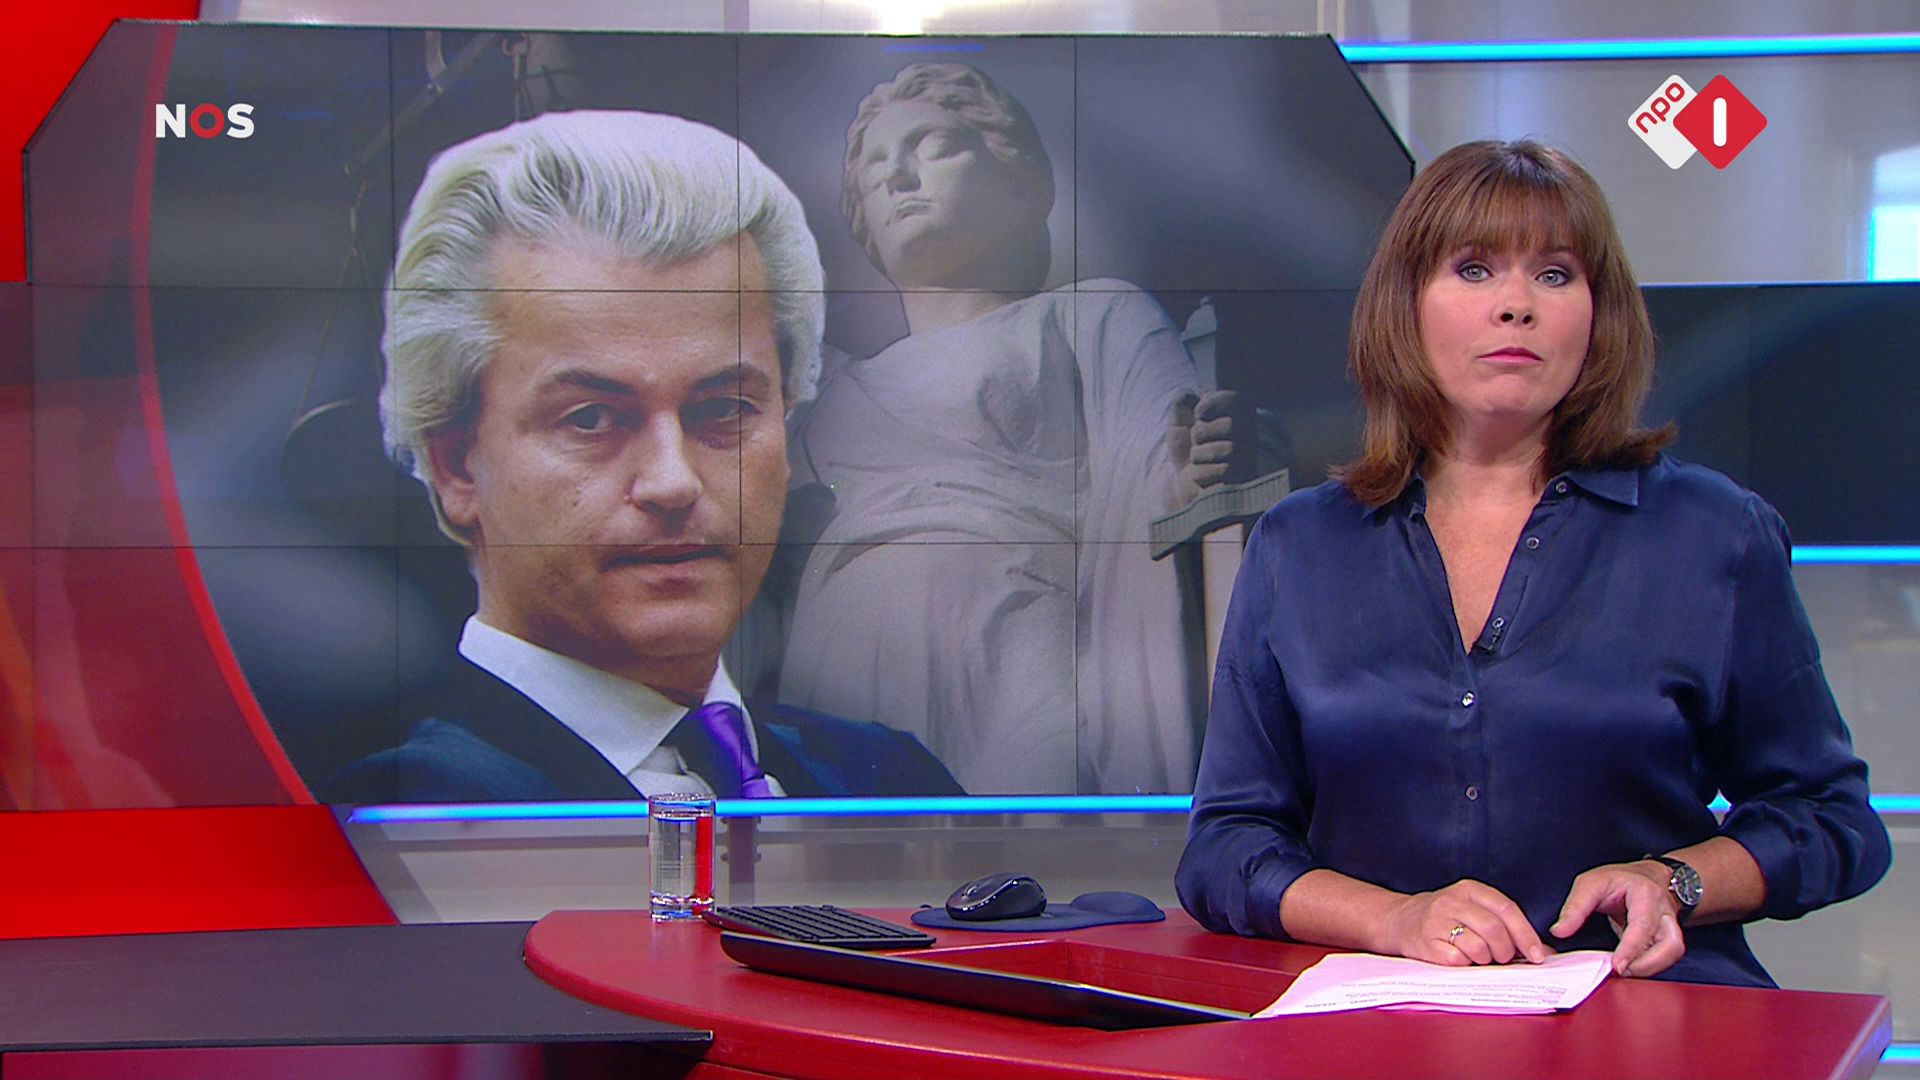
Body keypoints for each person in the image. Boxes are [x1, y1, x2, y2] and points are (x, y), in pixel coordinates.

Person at [1175, 139, 1890, 987]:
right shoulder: (1297, 546)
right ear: (1406, 306)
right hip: (1384, 1024)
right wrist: (1394, 919)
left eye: (1554, 275)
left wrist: (1675, 881)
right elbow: (1225, 849)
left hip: (1646, 1020)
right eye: (1474, 269)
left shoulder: (1716, 535)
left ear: (1598, 313)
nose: (1516, 305)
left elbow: (1831, 820)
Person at [320, 110, 961, 803]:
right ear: (454, 465)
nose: (672, 481)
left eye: (725, 410)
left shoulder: (892, 781)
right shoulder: (399, 815)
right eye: (590, 419)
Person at [778, 62, 1234, 795]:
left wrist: (1194, 466)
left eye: (933, 147)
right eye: (875, 171)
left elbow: (1158, 457)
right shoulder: (825, 387)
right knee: (854, 856)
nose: (898, 179)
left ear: (1022, 184)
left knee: (1040, 833)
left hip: (1015, 630)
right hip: (844, 659)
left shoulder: (1091, 315)